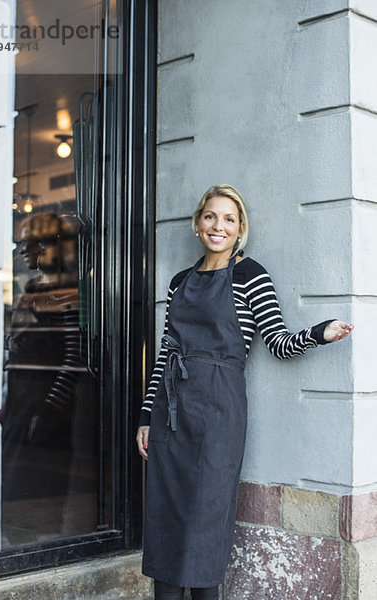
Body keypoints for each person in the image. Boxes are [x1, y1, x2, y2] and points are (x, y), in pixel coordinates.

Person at [136, 184, 354, 600]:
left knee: (205, 526)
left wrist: (320, 334)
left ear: (240, 230)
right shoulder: (179, 282)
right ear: (199, 224)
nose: (219, 226)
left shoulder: (250, 275)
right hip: (171, 414)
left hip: (218, 415)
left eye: (229, 219)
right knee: (164, 522)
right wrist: (147, 417)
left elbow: (278, 342)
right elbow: (166, 355)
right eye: (211, 217)